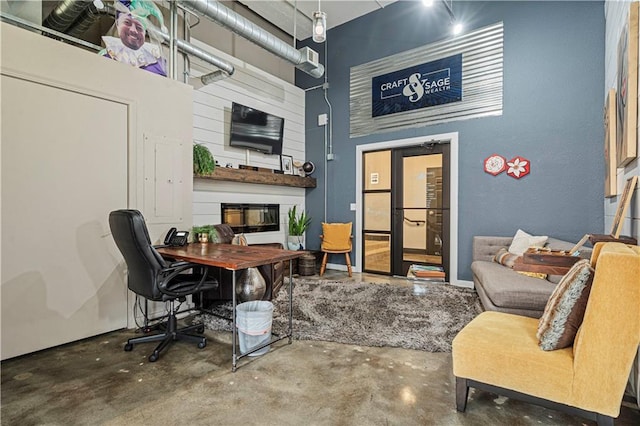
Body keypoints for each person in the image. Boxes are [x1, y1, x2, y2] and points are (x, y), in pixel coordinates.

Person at [100, 1, 167, 76]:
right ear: (118, 26)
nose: (133, 30)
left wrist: (162, 25)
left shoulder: (153, 64)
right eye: (127, 23)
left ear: (144, 32)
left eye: (139, 28)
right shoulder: (108, 54)